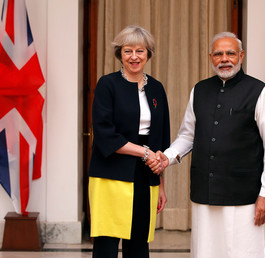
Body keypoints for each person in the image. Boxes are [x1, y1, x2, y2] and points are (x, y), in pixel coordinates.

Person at [148, 32, 265, 258]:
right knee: (206, 251)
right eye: (218, 54)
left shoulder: (259, 91)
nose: (224, 59)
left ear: (241, 55)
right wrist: (168, 157)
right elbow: (187, 135)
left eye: (230, 53)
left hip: (244, 195)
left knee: (242, 253)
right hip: (205, 190)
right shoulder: (199, 90)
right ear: (211, 57)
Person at [88, 25, 170, 258]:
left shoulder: (156, 88)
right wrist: (145, 153)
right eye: (128, 51)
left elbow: (161, 136)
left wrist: (160, 182)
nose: (134, 57)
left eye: (140, 51)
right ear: (120, 54)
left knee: (138, 244)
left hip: (146, 175)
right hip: (110, 173)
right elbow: (105, 134)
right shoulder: (107, 84)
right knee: (106, 244)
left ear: (148, 54)